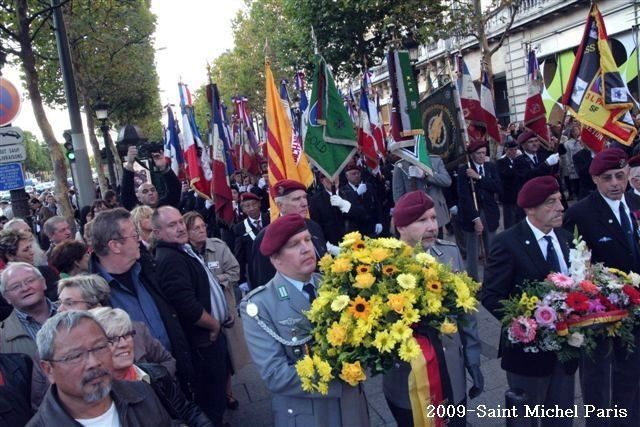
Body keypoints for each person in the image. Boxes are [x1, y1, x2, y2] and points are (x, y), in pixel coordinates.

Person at [241, 214, 370, 426]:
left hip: (353, 408)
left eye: (307, 240)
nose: (306, 249)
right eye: (294, 245)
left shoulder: (333, 285)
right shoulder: (259, 305)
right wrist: (342, 376)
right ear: (276, 259)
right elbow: (276, 374)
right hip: (310, 415)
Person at [483, 176, 576, 427]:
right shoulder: (507, 243)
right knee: (526, 419)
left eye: (559, 200)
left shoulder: (567, 238)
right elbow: (491, 295)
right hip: (527, 355)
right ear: (530, 209)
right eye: (551, 203)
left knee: (561, 416)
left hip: (566, 349)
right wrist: (522, 323)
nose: (561, 207)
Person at [385, 191, 483, 426]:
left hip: (452, 370)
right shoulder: (383, 264)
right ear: (401, 227)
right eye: (421, 220)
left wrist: (473, 360)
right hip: (408, 377)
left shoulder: (448, 253)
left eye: (433, 218)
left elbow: (465, 313)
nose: (432, 227)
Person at [563, 148, 640, 426]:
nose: (615, 183)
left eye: (620, 175)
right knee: (597, 379)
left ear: (628, 174)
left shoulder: (633, 202)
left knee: (632, 373)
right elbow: (573, 265)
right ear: (595, 179)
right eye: (607, 178)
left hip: (635, 309)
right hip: (600, 313)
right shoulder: (580, 213)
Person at [89, 208, 195, 398]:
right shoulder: (92, 296)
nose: (139, 239)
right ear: (115, 246)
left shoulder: (149, 269)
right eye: (134, 235)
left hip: (175, 377)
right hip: (137, 392)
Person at [153, 206, 230, 426]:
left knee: (217, 398)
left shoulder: (180, 250)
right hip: (204, 343)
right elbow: (186, 304)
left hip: (210, 339)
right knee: (210, 402)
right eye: (171, 225)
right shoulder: (170, 259)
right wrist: (214, 325)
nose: (179, 228)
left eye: (179, 222)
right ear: (157, 233)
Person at [29, 311, 174, 426]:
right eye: (76, 356)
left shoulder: (142, 394)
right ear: (48, 370)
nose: (93, 362)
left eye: (99, 347)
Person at [90, 307, 213, 426]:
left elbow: (188, 412)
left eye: (127, 335)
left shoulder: (156, 375)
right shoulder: (95, 398)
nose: (123, 344)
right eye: (112, 339)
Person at [184, 210, 251, 410]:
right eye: (195, 228)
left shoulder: (218, 247)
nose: (201, 230)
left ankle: (227, 392)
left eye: (203, 226)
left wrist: (215, 281)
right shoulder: (184, 253)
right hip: (200, 312)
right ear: (187, 232)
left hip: (224, 309)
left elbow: (235, 271)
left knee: (226, 355)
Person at [56, 274, 176, 376]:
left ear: (96, 305)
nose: (60, 310)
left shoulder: (136, 330)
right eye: (60, 302)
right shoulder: (61, 348)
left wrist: (151, 383)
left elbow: (167, 361)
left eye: (69, 303)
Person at [248, 179, 328, 289]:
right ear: (280, 206)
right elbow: (263, 282)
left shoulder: (314, 226)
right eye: (296, 199)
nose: (304, 203)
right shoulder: (266, 237)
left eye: (305, 197)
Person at [456, 139, 502, 280]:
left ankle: (494, 278)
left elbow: (498, 187)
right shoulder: (464, 171)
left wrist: (479, 178)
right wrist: (475, 219)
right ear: (471, 155)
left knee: (492, 249)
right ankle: (473, 281)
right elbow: (464, 197)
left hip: (489, 213)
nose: (482, 156)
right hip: (472, 214)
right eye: (478, 153)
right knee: (473, 250)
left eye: (484, 152)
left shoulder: (491, 167)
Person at [0, 262, 57, 360]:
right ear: (6, 297)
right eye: (15, 286)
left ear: (43, 283)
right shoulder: (2, 336)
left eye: (30, 281)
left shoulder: (73, 312)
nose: (25, 288)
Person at [392, 155, 452, 234]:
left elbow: (447, 181)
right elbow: (398, 195)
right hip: (414, 214)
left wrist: (426, 175)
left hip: (435, 211)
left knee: (437, 242)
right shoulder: (401, 165)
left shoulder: (435, 160)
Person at [309, 174, 364, 247]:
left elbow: (363, 215)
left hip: (354, 244)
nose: (333, 180)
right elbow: (316, 227)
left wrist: (346, 206)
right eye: (329, 177)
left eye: (335, 176)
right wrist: (329, 247)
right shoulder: (316, 200)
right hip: (333, 248)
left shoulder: (350, 194)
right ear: (322, 181)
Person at [120, 146, 181, 211]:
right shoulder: (137, 211)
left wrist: (163, 167)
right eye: (145, 192)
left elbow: (175, 189)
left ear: (157, 193)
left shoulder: (165, 208)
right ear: (139, 198)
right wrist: (130, 163)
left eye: (153, 190)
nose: (150, 193)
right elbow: (126, 195)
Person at [232, 192, 270, 290]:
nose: (252, 208)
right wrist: (242, 280)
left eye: (254, 204)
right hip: (257, 270)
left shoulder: (271, 219)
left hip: (276, 265)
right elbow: (240, 255)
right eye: (247, 206)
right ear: (243, 209)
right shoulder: (240, 228)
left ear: (259, 204)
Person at [338, 164, 382, 237]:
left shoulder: (368, 186)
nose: (356, 176)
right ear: (347, 176)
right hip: (355, 229)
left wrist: (379, 221)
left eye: (358, 173)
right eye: (353, 174)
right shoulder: (343, 191)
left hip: (371, 226)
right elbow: (347, 209)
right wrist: (356, 194)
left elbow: (377, 205)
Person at [497, 140, 520, 230]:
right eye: (511, 150)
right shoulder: (501, 162)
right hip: (508, 195)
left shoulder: (518, 160)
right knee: (510, 221)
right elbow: (506, 174)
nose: (513, 152)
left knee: (519, 219)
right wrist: (515, 166)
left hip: (518, 194)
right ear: (506, 150)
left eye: (515, 149)